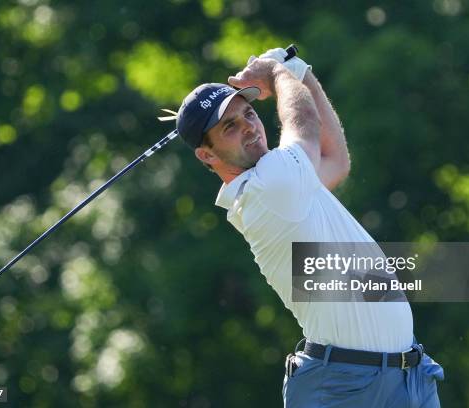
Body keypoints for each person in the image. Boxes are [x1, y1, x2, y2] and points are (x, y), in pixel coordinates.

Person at [174, 48, 444, 407]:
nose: (250, 128)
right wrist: (276, 72)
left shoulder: (286, 180)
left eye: (249, 113)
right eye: (230, 127)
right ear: (207, 155)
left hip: (407, 379)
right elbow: (305, 125)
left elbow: (336, 160)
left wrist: (300, 72)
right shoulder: (268, 188)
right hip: (342, 388)